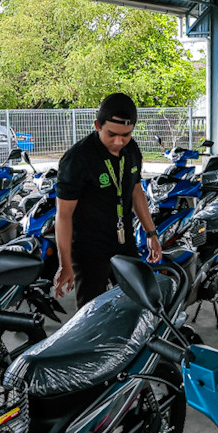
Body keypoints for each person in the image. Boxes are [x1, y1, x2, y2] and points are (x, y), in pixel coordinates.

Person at [54, 93, 161, 305]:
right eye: (112, 134)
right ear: (97, 126)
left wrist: (151, 232)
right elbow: (63, 215)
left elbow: (135, 190)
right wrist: (65, 263)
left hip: (124, 242)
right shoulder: (78, 158)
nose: (119, 142)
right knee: (91, 315)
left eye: (126, 135)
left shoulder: (132, 150)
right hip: (89, 251)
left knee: (135, 304)